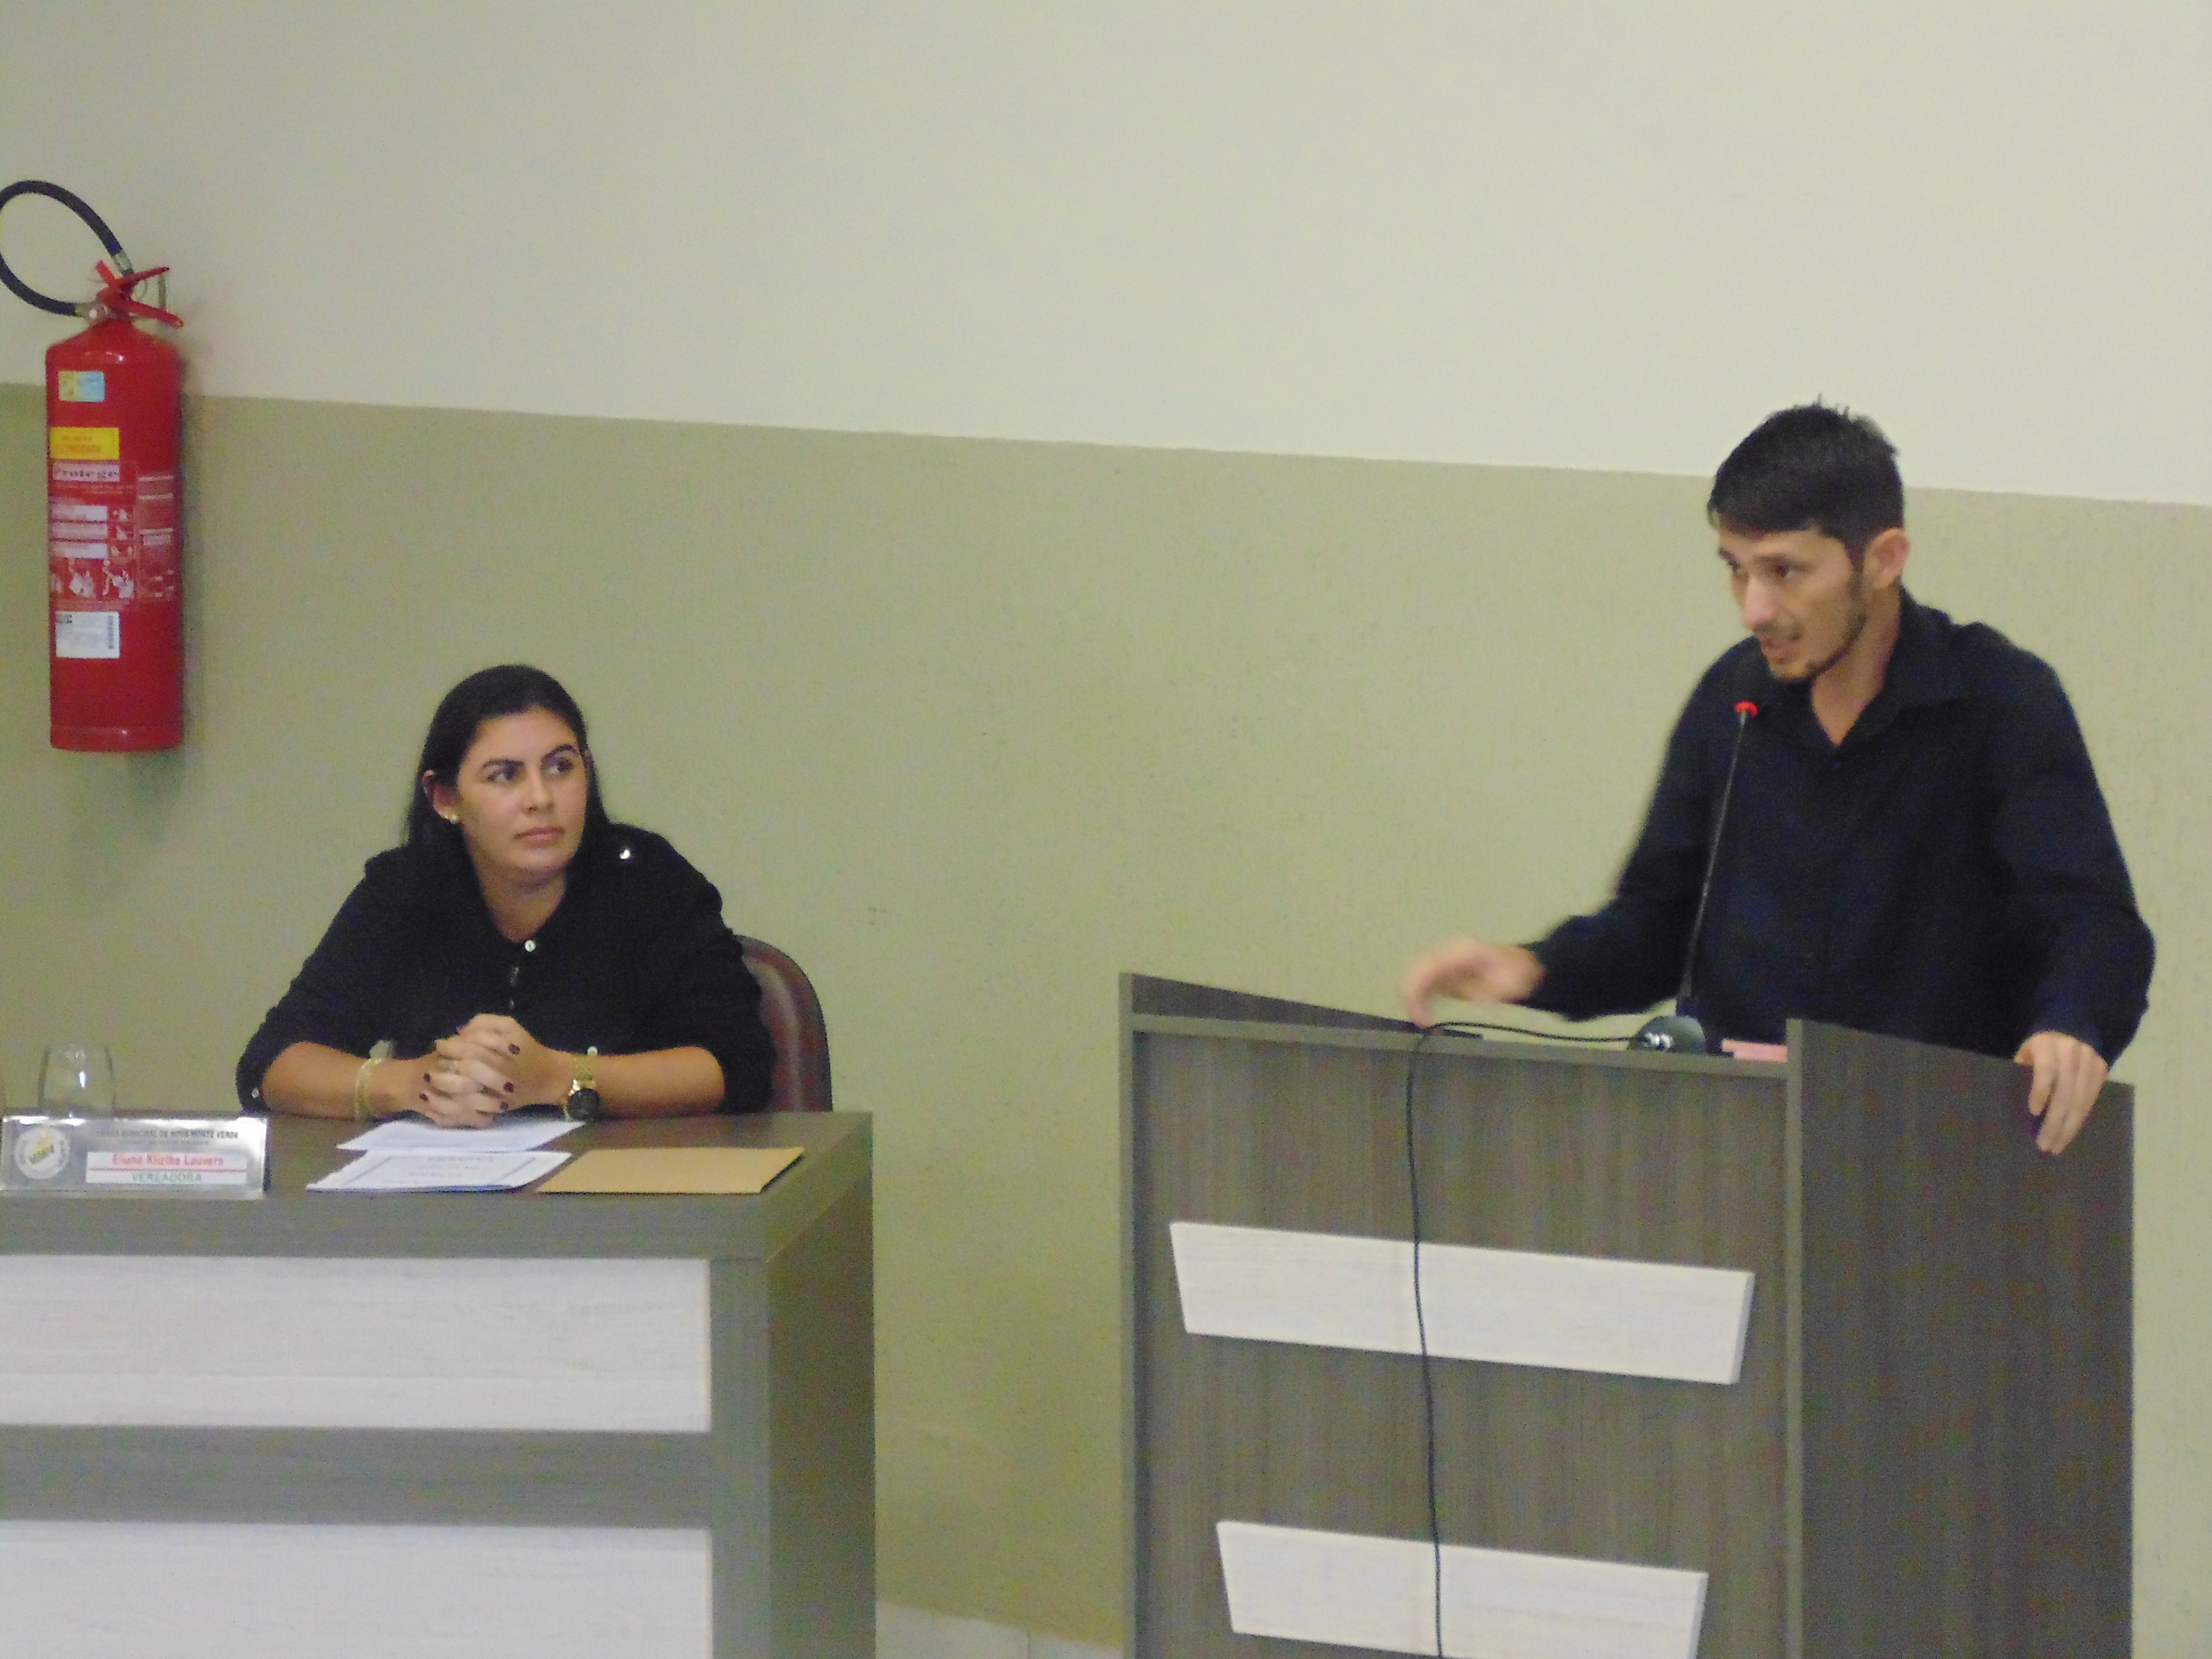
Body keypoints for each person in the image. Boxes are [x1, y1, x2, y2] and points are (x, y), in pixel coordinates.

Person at [1400, 404, 2153, 1156]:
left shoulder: (1999, 701)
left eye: (1785, 571)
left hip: (1932, 1150)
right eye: (1736, 570)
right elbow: (1658, 924)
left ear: (1882, 560)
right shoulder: (1732, 704)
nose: (1754, 610)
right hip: (1732, 1148)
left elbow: (2094, 923)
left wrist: (2070, 1025)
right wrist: (1535, 968)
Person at [239, 665, 776, 1125]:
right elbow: (273, 1064)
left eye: (561, 768)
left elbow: (737, 1065)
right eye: (505, 776)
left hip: (628, 1189)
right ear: (445, 797)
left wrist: (560, 1078)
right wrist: (408, 1084)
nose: (540, 798)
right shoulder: (405, 893)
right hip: (447, 1194)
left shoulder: (647, 881)